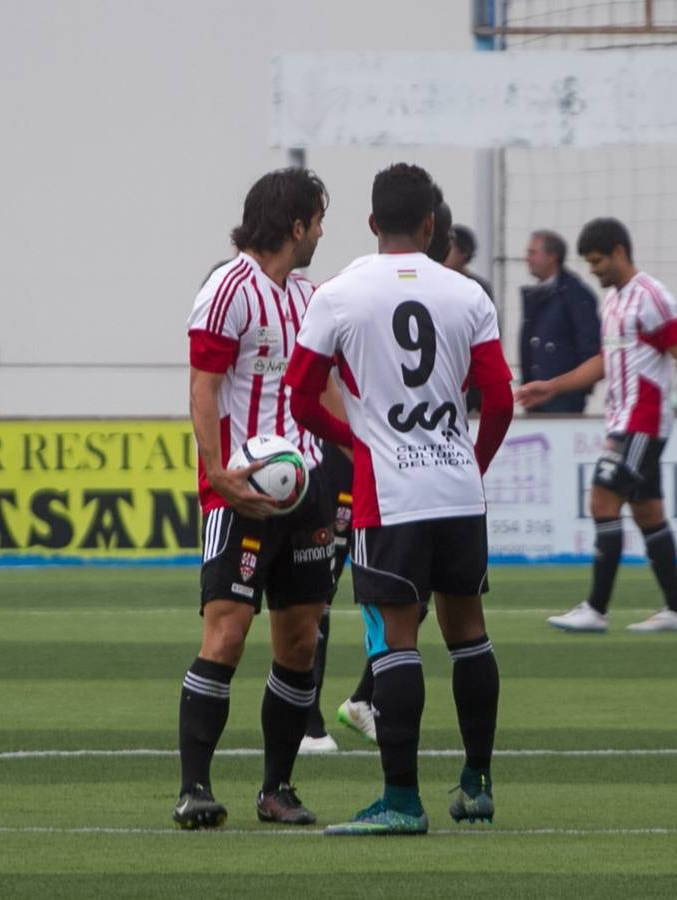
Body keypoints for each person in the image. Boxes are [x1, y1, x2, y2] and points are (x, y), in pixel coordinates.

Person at [286, 162, 514, 835]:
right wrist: (471, 465)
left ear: (369, 223)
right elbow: (497, 398)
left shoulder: (337, 293)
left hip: (391, 495)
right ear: (430, 224)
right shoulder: (466, 293)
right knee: (467, 632)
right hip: (455, 488)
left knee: (394, 640)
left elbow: (300, 394)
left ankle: (401, 800)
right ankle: (475, 783)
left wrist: (357, 442)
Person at [171, 167, 335, 831]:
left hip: (307, 489)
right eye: (318, 220)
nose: (323, 231)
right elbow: (203, 387)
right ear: (295, 226)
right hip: (240, 492)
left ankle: (276, 788)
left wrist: (350, 455)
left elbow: (323, 389)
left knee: (299, 640)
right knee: (227, 632)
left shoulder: (310, 296)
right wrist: (217, 473)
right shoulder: (227, 289)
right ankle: (194, 789)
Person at [524, 219, 677, 634]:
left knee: (602, 498)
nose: (593, 270)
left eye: (597, 261)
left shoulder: (651, 296)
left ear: (619, 252)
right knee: (648, 512)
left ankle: (596, 609)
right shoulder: (614, 303)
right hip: (624, 419)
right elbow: (604, 362)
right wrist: (553, 386)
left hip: (642, 422)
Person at [320, 196, 457, 751]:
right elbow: (318, 370)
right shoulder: (357, 288)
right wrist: (355, 440)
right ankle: (311, 721)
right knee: (325, 589)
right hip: (352, 457)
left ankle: (362, 698)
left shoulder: (430, 293)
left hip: (396, 464)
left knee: (408, 591)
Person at [519, 230, 601, 413]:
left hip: (565, 404)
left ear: (552, 257)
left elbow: (591, 349)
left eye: (533, 253)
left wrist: (577, 391)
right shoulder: (536, 297)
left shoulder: (576, 295)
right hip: (535, 400)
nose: (527, 259)